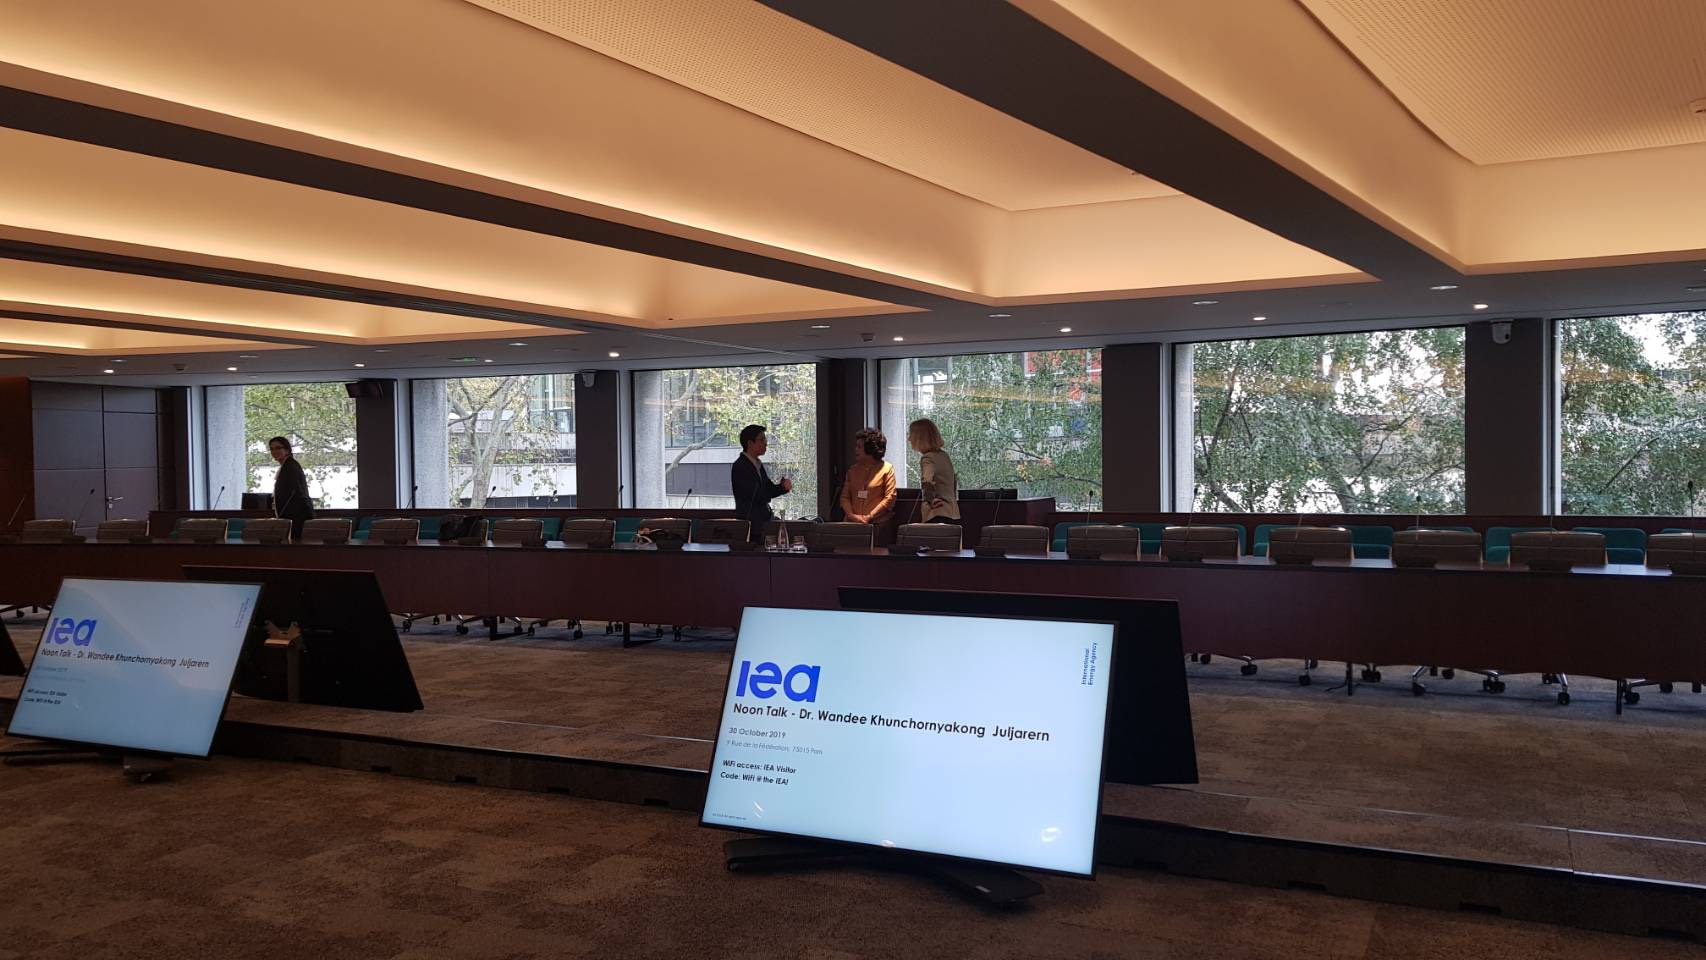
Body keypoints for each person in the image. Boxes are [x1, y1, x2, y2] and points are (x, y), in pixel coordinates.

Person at [730, 424, 791, 544]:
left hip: (763, 522)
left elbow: (768, 489)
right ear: (750, 443)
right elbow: (757, 495)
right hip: (752, 526)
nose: (766, 443)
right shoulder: (741, 466)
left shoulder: (757, 464)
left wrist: (782, 487)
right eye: (762, 440)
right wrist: (777, 489)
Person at [840, 427, 897, 543]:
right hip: (852, 525)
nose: (855, 450)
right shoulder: (852, 470)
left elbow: (890, 498)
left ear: (870, 448)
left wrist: (869, 516)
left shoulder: (887, 469)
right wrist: (851, 515)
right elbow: (844, 497)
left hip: (878, 526)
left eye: (859, 447)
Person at [908, 418, 959, 524]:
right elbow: (953, 482)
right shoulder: (944, 456)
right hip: (951, 512)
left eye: (911, 435)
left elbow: (927, 480)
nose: (909, 439)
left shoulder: (927, 458)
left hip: (936, 512)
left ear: (920, 438)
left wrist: (930, 500)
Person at [268, 436, 315, 541]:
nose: (274, 451)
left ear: (287, 450)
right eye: (272, 449)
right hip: (293, 516)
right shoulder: (287, 465)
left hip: (296, 517)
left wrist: (281, 517)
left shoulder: (290, 466)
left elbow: (293, 494)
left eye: (278, 448)